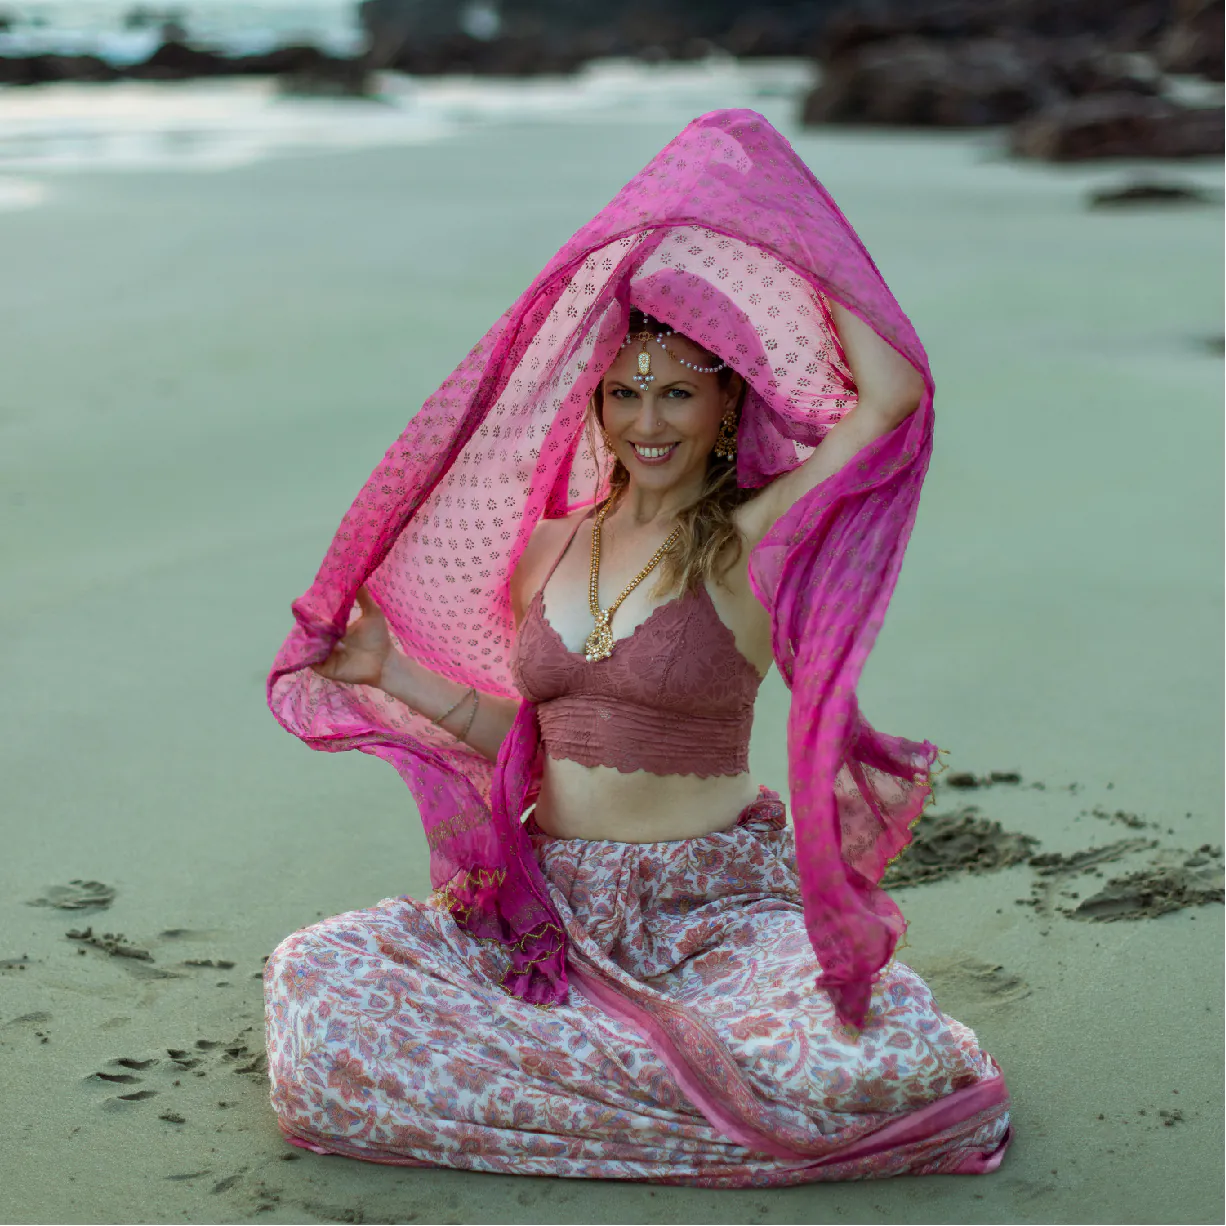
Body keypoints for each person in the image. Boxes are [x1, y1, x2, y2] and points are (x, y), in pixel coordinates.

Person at [263, 110, 1011, 1184]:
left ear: (724, 407)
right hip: (553, 904)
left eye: (676, 393)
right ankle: (638, 1081)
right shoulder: (549, 546)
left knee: (872, 1063)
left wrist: (795, 227)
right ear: (598, 405)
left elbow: (889, 398)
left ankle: (616, 1083)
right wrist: (387, 670)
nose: (646, 421)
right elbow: (536, 740)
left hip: (715, 906)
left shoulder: (753, 538)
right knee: (320, 980)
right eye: (624, 393)